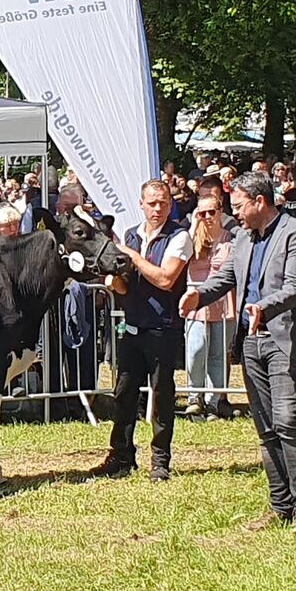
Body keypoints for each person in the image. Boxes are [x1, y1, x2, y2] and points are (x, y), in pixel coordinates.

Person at [180, 173, 296, 535]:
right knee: (265, 427)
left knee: (287, 419)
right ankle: (280, 506)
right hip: (251, 341)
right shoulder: (243, 239)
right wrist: (199, 295)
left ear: (260, 202)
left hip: (288, 340)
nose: (236, 214)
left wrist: (264, 307)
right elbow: (226, 279)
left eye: (240, 206)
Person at [96, 179, 191, 481]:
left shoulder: (180, 236)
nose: (158, 209)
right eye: (152, 203)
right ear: (141, 204)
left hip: (163, 327)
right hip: (132, 325)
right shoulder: (131, 235)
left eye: (163, 202)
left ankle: (160, 461)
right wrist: (114, 282)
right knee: (124, 393)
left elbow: (165, 279)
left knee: (162, 396)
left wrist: (132, 256)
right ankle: (121, 455)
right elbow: (127, 285)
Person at [181, 193, 235, 421]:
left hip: (224, 304)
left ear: (220, 211)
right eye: (202, 213)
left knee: (219, 355)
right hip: (196, 303)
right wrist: (194, 225)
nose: (207, 217)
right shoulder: (191, 238)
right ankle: (195, 396)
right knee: (195, 350)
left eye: (211, 212)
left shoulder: (231, 239)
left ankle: (213, 403)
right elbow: (182, 257)